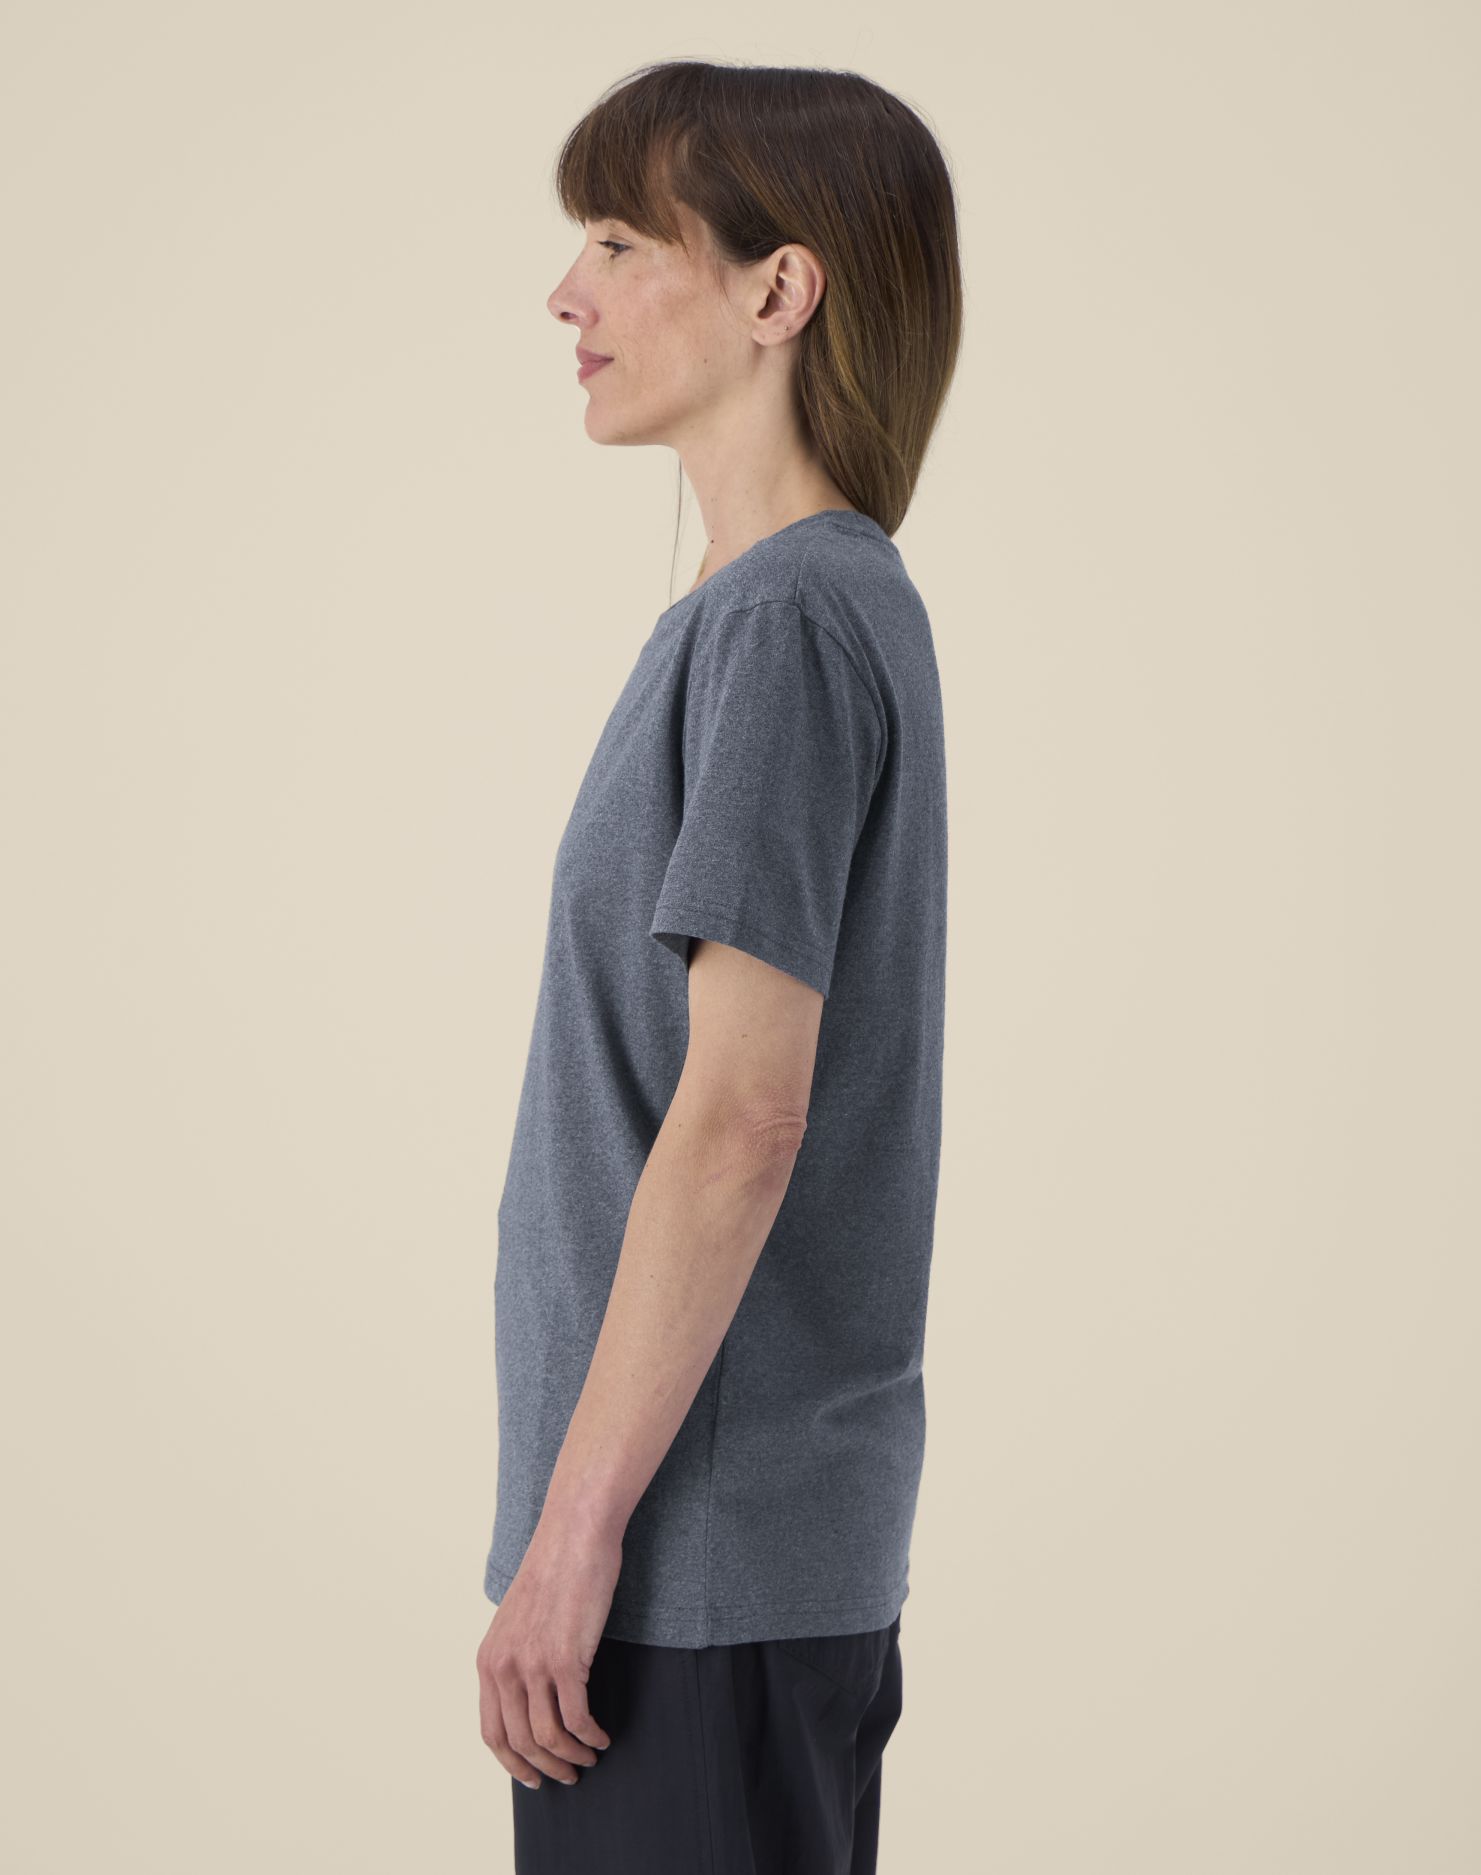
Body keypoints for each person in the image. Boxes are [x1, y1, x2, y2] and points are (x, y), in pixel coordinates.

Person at [476, 56, 961, 1873]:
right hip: (706, 1567)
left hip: (694, 1569)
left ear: (779, 291)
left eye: (619, 240)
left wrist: (576, 1536)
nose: (568, 292)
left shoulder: (788, 619)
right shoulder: (771, 612)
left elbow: (746, 1112)